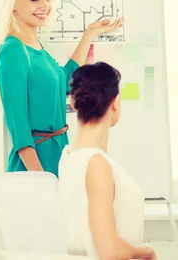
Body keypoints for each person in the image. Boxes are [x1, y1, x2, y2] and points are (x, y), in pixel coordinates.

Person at [0, 0, 123, 177]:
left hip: (56, 156)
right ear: (14, 3)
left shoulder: (35, 47)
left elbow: (65, 80)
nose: (45, 6)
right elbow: (19, 128)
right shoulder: (13, 51)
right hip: (34, 165)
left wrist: (90, 33)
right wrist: (42, 180)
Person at [59, 62, 156, 259]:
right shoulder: (96, 164)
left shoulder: (68, 156)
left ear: (72, 102)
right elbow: (109, 251)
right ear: (115, 103)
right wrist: (145, 251)